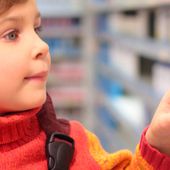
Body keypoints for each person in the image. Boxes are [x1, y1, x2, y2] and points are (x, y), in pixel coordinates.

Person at [1, 0, 170, 169]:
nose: (42, 46)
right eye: (12, 35)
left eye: (37, 29)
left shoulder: (75, 147)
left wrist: (158, 146)